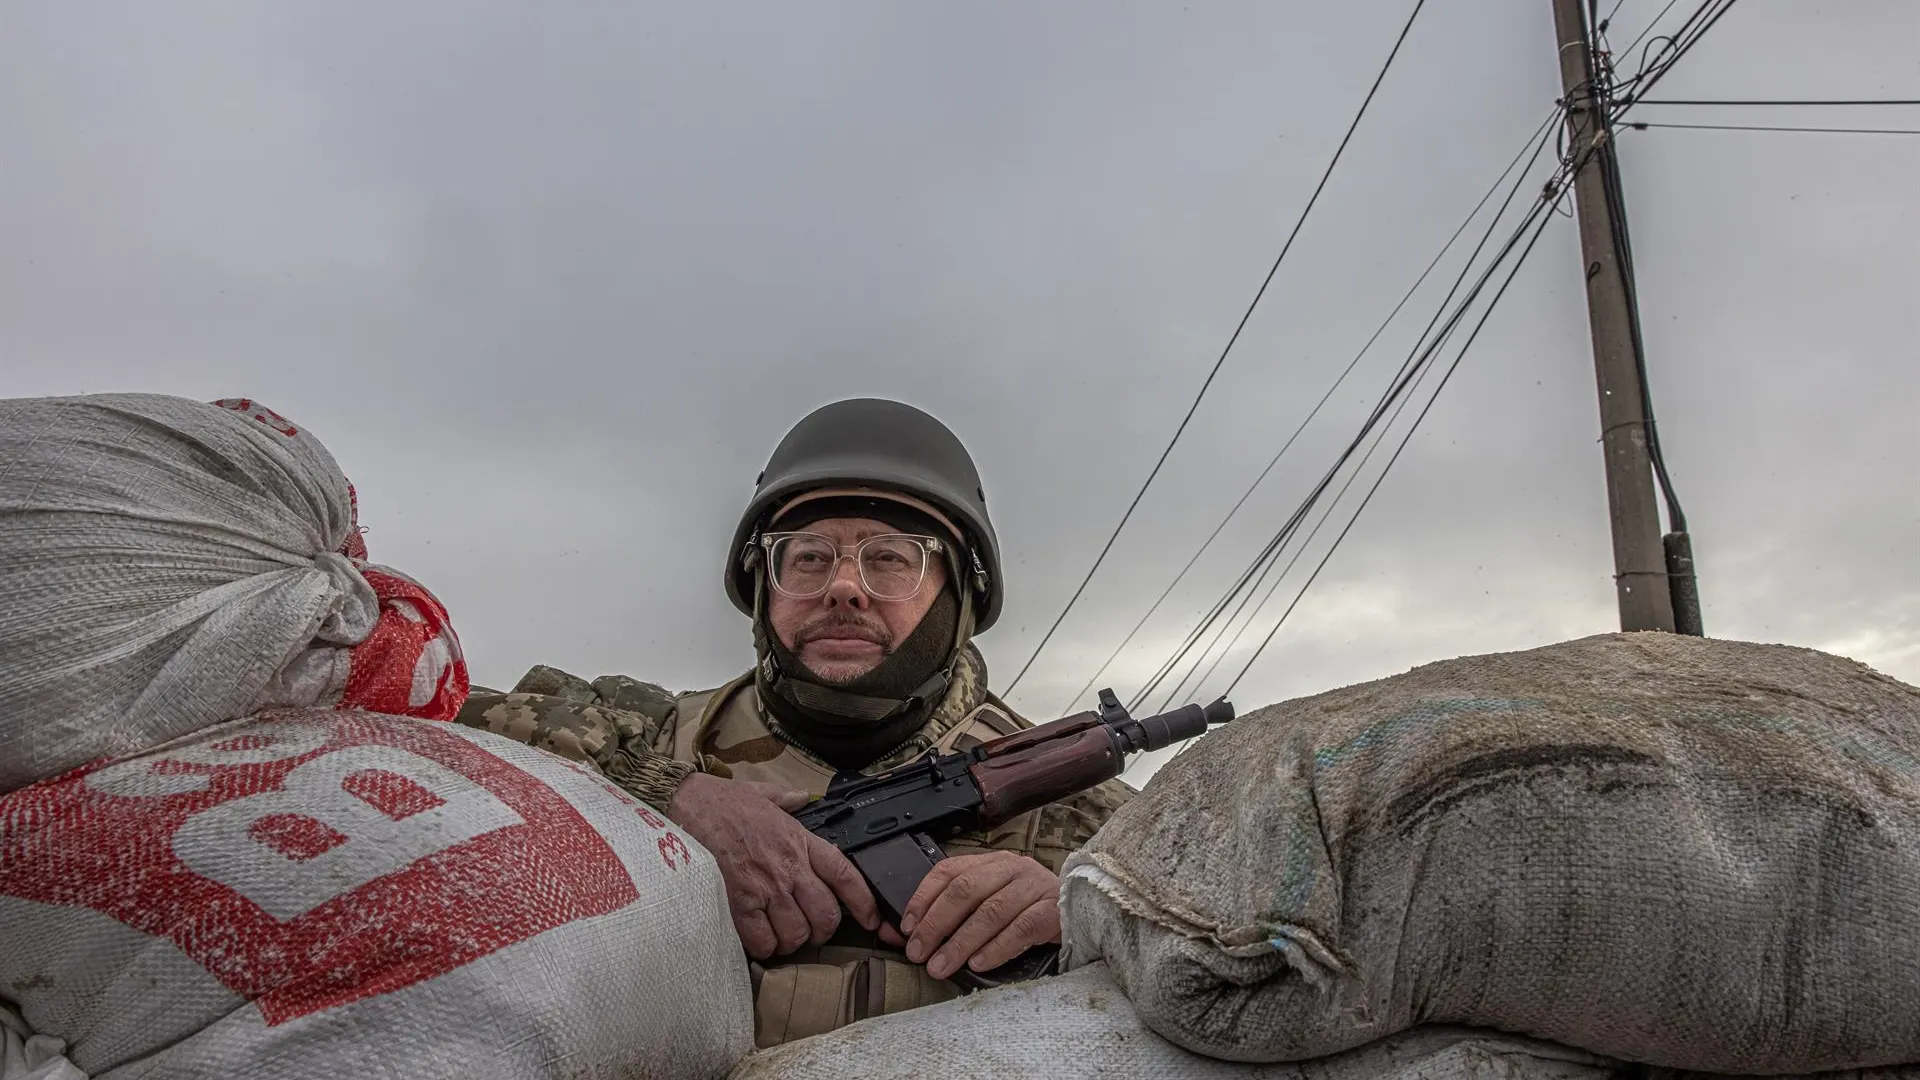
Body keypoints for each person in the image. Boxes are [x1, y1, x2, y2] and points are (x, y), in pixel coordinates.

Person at [458, 398, 1134, 1046]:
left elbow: (1220, 952)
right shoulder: (651, 734)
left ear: (959, 593)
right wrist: (662, 802)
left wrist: (1086, 921)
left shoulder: (1090, 820)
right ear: (763, 587)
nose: (844, 586)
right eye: (807, 556)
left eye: (891, 558)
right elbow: (424, 720)